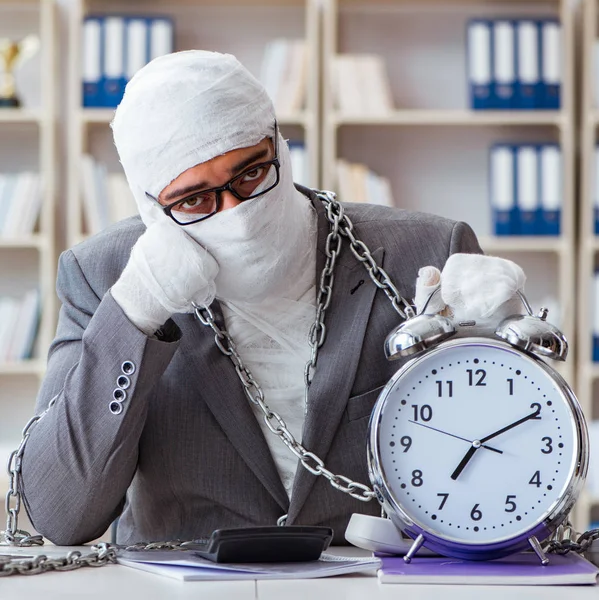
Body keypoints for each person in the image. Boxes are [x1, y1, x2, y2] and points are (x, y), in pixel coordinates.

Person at [19, 50, 516, 547]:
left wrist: (497, 353)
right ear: (151, 205)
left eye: (252, 172)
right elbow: (61, 516)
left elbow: (507, 466)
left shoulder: (425, 254)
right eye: (195, 199)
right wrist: (136, 311)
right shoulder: (103, 274)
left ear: (278, 142)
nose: (237, 212)